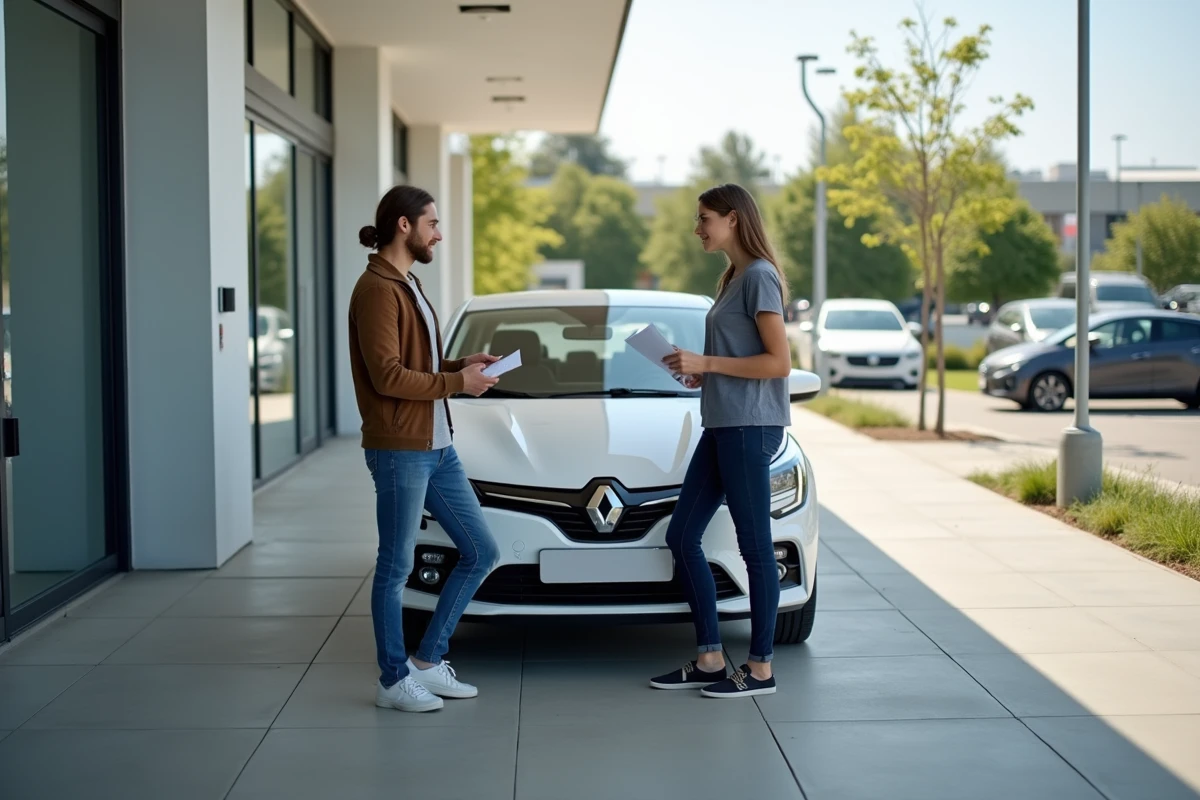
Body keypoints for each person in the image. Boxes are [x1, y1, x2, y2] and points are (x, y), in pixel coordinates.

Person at [348, 185, 502, 713]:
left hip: (437, 446)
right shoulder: (376, 289)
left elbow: (417, 364)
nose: (439, 232)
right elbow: (388, 376)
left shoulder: (406, 283)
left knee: (483, 551)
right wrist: (459, 385)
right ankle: (392, 680)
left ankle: (428, 662)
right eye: (432, 222)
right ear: (404, 226)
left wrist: (459, 366)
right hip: (401, 449)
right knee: (395, 567)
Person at [650, 183, 793, 699]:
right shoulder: (733, 278)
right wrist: (703, 374)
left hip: (750, 428)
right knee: (682, 535)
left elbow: (779, 364)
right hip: (724, 423)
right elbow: (742, 361)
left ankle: (760, 670)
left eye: (704, 218)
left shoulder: (758, 277)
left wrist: (708, 363)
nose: (697, 228)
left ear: (733, 218)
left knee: (756, 548)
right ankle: (710, 658)